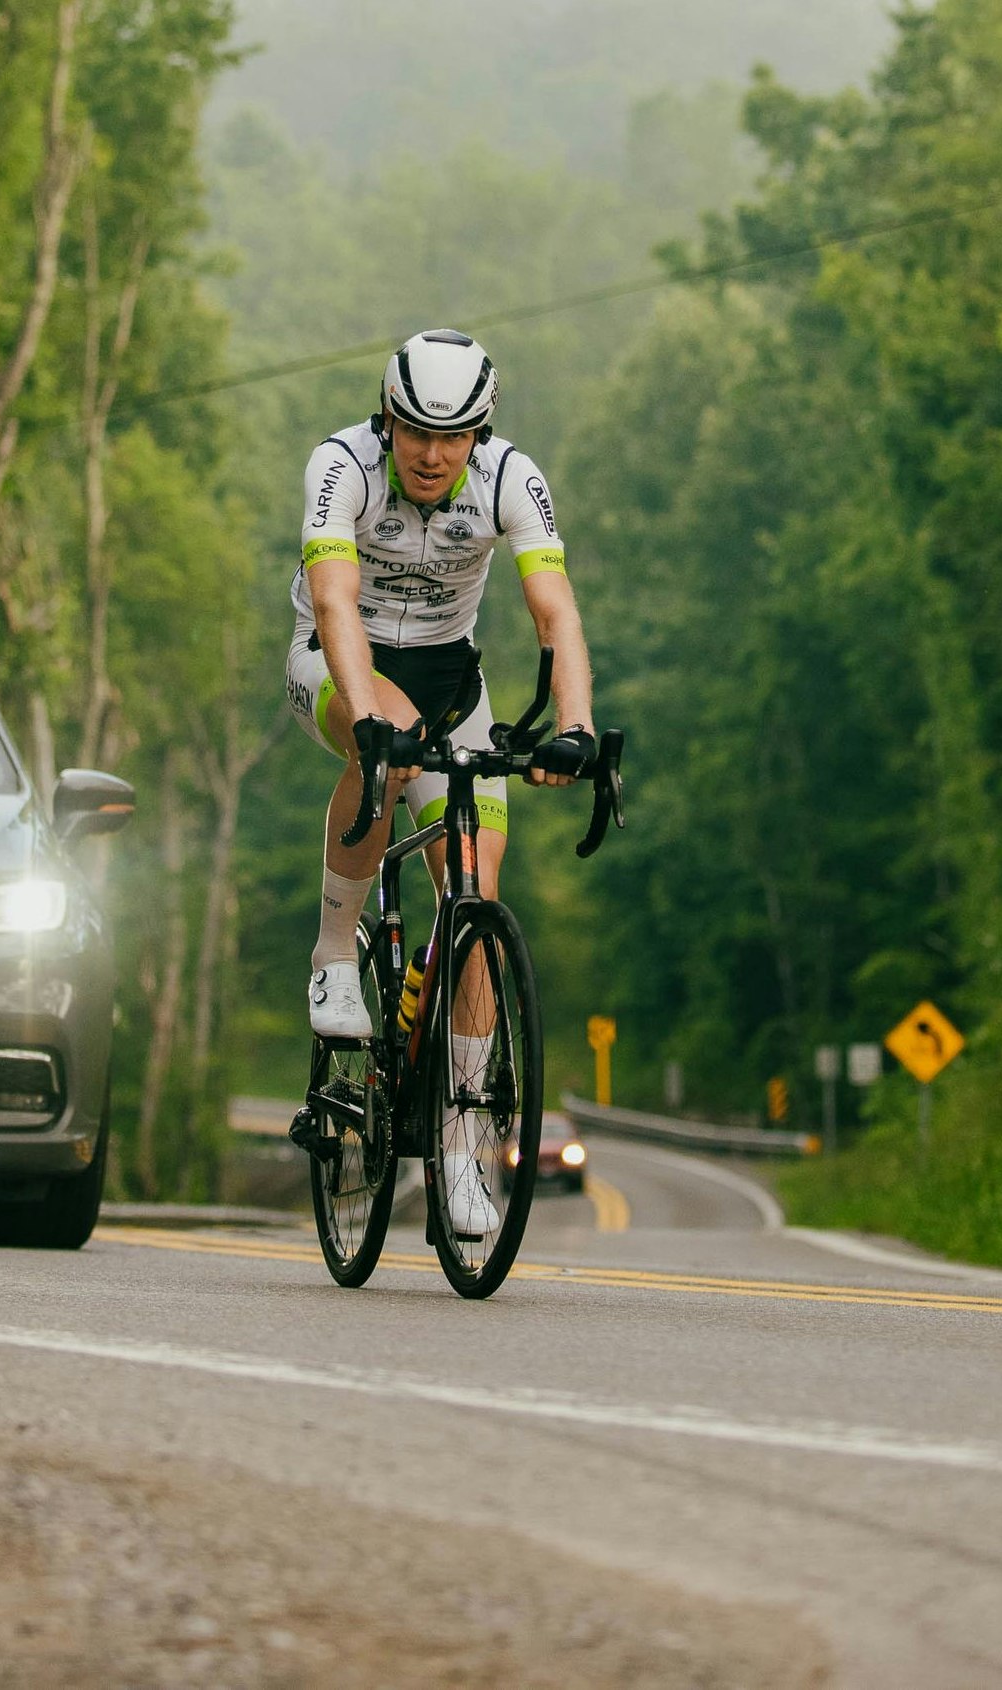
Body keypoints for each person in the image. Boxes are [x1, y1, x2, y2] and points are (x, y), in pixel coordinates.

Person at [285, 330, 599, 1237]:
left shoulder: (511, 479)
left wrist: (574, 728)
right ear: (388, 420)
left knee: (475, 896)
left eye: (453, 435)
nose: (432, 453)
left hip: (453, 682)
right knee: (383, 747)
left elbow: (554, 609)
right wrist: (367, 717)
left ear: (478, 433)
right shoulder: (341, 465)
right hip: (335, 659)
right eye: (417, 431)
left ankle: (462, 1149)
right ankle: (334, 957)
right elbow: (334, 599)